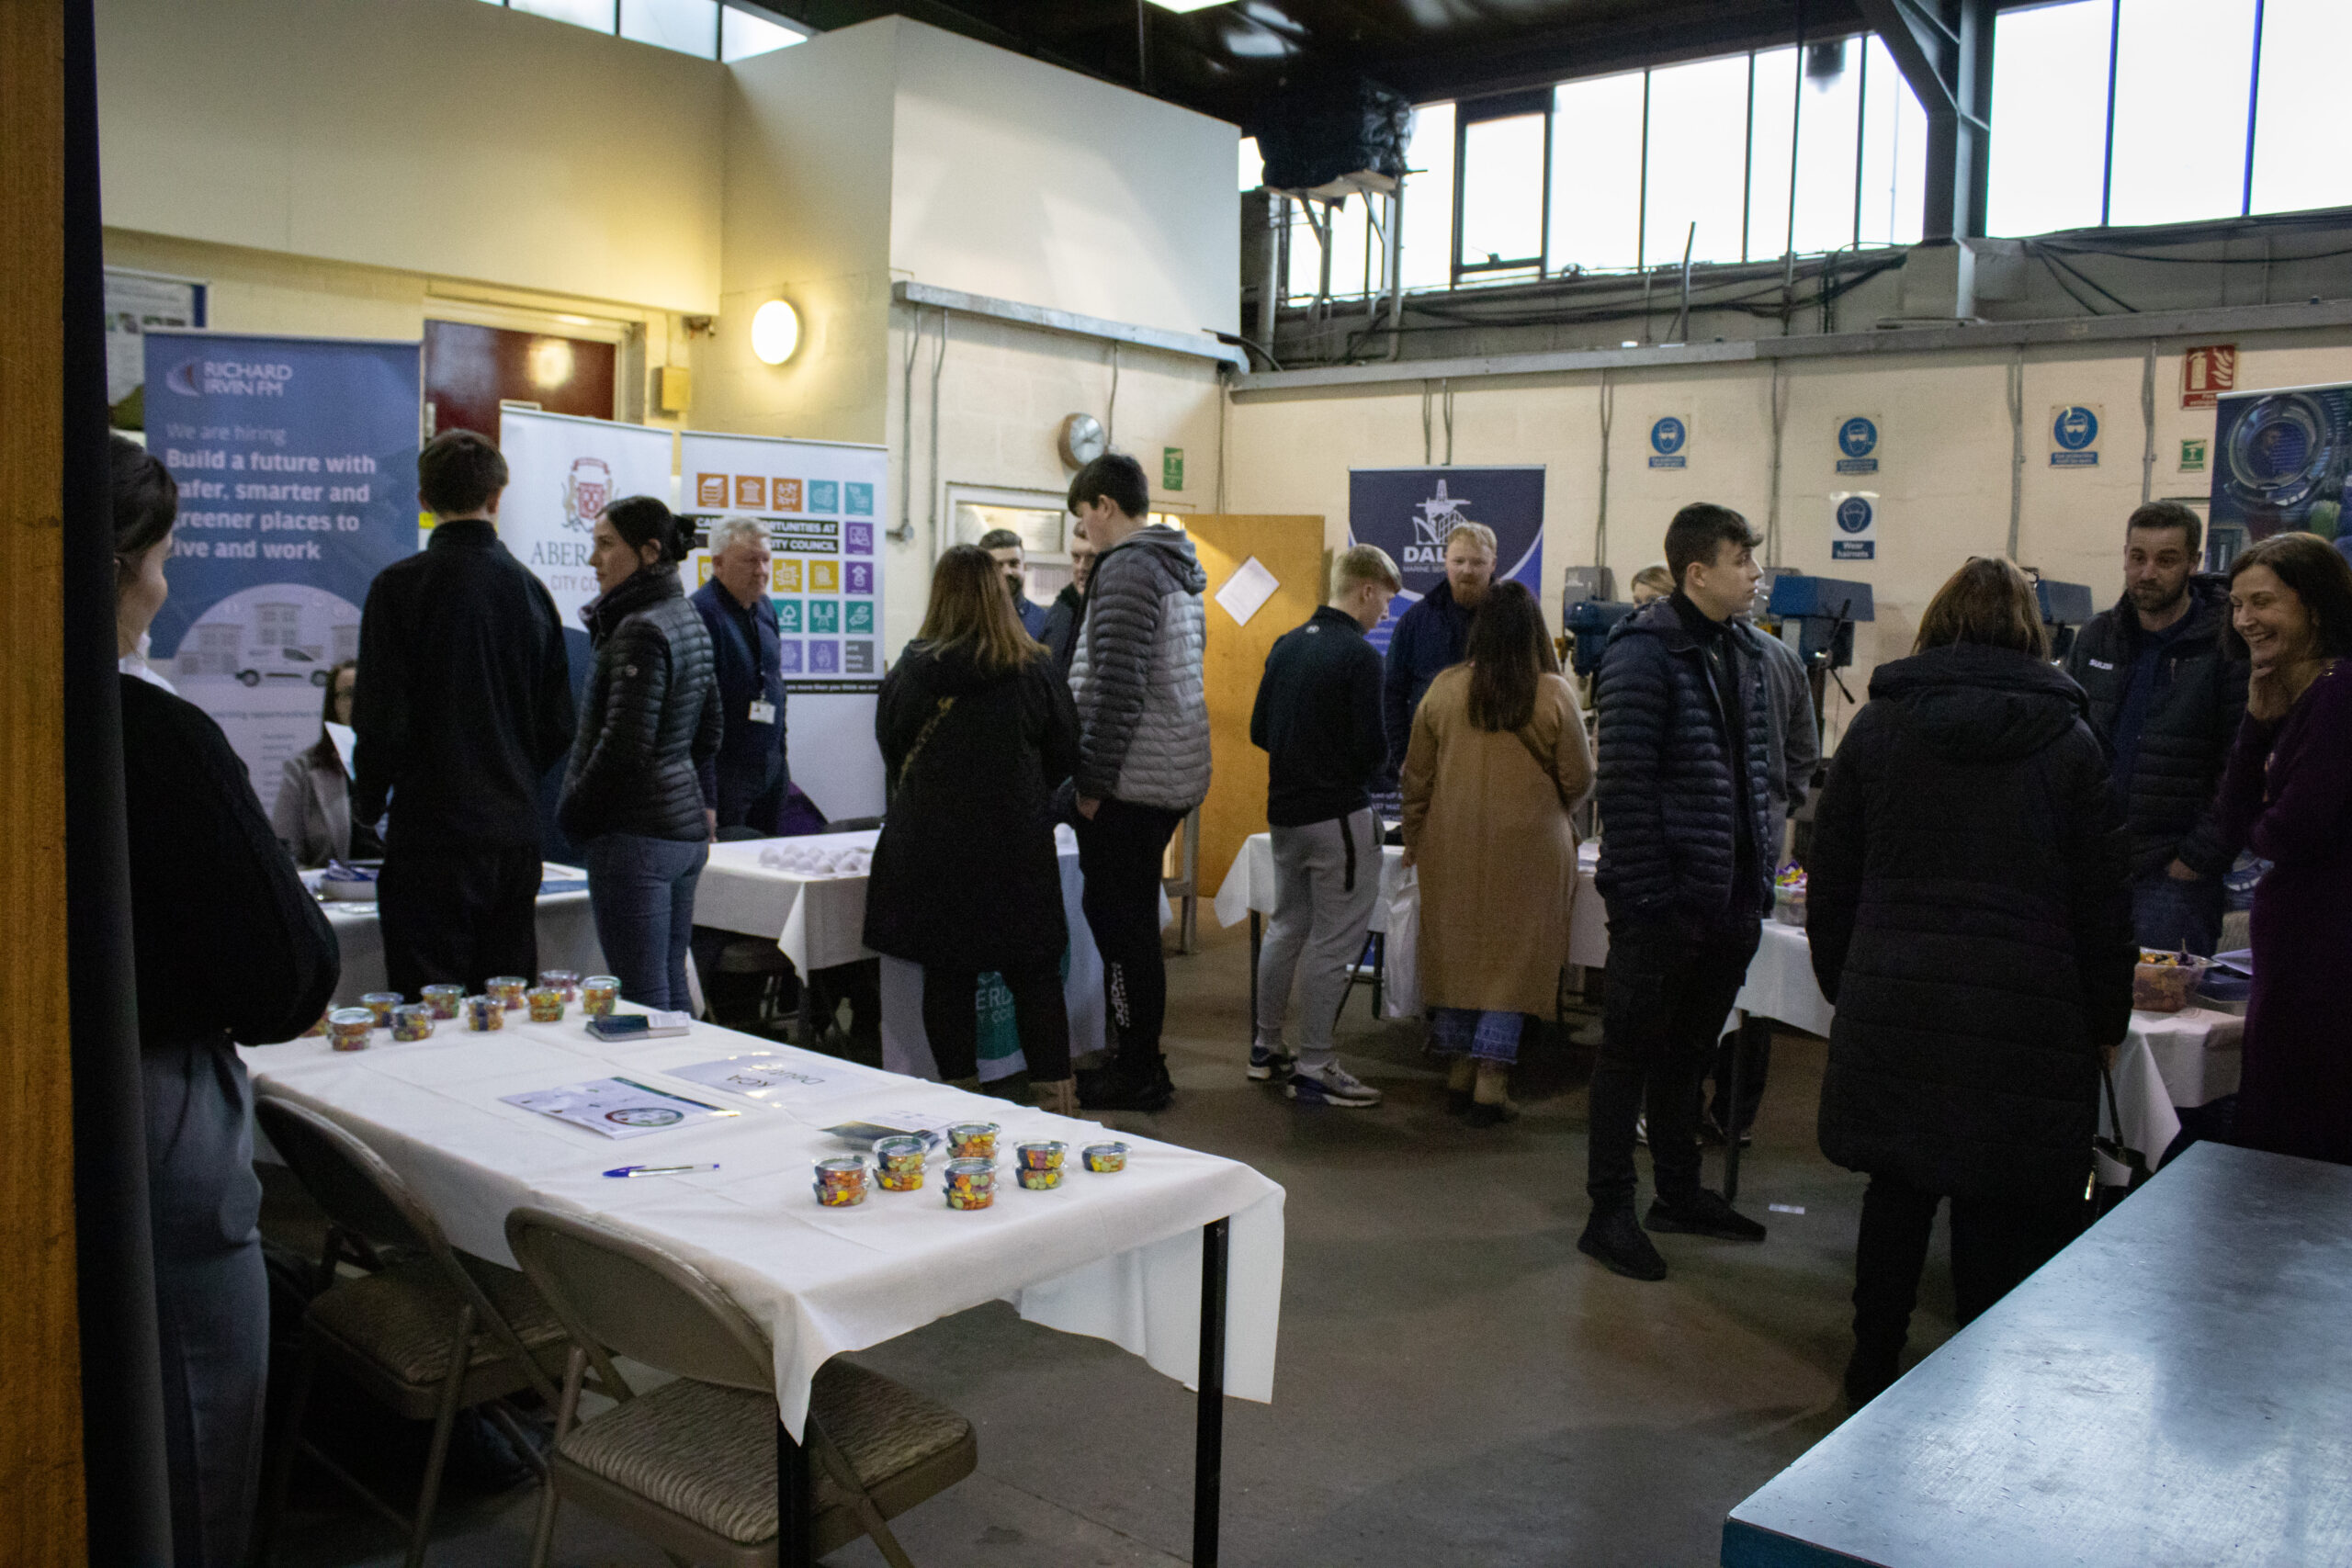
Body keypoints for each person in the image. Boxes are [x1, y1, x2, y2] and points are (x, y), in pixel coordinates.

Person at [1809, 556, 2132, 1403]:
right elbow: (2103, 896)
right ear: (2031, 632)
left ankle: (1871, 1362)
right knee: (1998, 1202)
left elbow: (1830, 868)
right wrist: (2108, 1014)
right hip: (2029, 1010)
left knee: (1898, 1187)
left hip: (1899, 991)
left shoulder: (1878, 731)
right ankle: (1972, 1384)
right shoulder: (2071, 741)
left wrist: (1845, 977)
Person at [112, 435, 340, 1566]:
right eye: (158, 560)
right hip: (151, 1112)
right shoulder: (157, 738)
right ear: (120, 569)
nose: (165, 586)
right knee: (194, 1433)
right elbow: (282, 973)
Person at [1581, 503, 1774, 1281]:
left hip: (1725, 902)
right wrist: (1655, 897)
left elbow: (1751, 776)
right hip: (1663, 903)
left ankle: (1680, 1192)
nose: (1755, 576)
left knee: (1690, 1054)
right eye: (1742, 562)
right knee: (1628, 1054)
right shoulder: (1643, 652)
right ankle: (1609, 1211)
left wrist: (1749, 887)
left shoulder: (1741, 652)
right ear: (1700, 573)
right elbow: (1622, 784)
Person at [353, 430, 576, 998]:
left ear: (423, 500)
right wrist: (516, 777)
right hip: (513, 832)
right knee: (504, 1003)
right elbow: (558, 724)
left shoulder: (397, 589)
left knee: (426, 1006)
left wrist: (369, 803)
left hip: (430, 830)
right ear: (498, 498)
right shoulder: (531, 592)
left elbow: (380, 717)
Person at [864, 546, 1082, 1114]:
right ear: (999, 594)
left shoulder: (910, 671)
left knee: (949, 976)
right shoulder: (1034, 669)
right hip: (1016, 848)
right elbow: (1065, 754)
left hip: (932, 848)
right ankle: (1056, 1108)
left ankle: (964, 1108)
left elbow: (891, 750)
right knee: (1035, 977)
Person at [1401, 581, 1594, 1126]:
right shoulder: (1555, 693)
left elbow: (1416, 775)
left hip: (1451, 841)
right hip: (1533, 847)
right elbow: (1579, 779)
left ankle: (1459, 1069)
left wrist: (1416, 835)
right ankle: (1493, 1078)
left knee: (1459, 948)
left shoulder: (1443, 688)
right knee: (1517, 958)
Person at [1064, 452, 1210, 1111]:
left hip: (1128, 781)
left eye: (1083, 517)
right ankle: (1139, 1056)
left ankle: (1137, 1065)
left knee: (1120, 925)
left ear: (1104, 505)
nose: (1084, 534)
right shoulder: (1174, 564)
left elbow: (1114, 684)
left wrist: (1089, 781)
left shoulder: (1126, 567)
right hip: (1166, 771)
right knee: (1130, 925)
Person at [2212, 533, 2352, 1167]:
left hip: (2326, 957)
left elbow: (2293, 829)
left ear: (2313, 607)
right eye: (2238, 604)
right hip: (2300, 951)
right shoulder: (2296, 698)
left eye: (2262, 602)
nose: (2245, 620)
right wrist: (2255, 720)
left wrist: (2262, 826)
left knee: (2300, 1131)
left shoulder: (2338, 696)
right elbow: (2239, 811)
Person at [1248, 543, 1403, 1108]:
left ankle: (1265, 1050)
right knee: (1334, 943)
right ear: (1366, 589)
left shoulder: (1286, 645)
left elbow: (1260, 730)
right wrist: (1355, 769)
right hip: (1337, 815)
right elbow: (1373, 752)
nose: (1384, 614)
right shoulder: (1361, 657)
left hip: (1283, 814)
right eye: (1384, 602)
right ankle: (1314, 1064)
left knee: (1287, 927)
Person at [558, 496, 722, 1012]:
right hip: (680, 833)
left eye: (606, 545)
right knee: (670, 991)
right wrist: (673, 774)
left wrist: (573, 811)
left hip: (635, 839)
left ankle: (666, 1093)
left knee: (644, 1002)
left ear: (650, 552)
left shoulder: (638, 628)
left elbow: (623, 749)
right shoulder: (686, 616)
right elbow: (711, 729)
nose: (594, 559)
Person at [2064, 502, 2247, 955]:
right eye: (2137, 557)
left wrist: (2197, 857)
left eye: (2166, 560)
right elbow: (2066, 740)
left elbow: (2241, 763)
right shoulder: (2096, 637)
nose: (2147, 572)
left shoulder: (2227, 646)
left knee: (2164, 1016)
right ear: (2124, 554)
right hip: (2091, 864)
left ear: (2194, 562)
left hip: (2173, 875)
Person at [1703, 619, 1820, 1145]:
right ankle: (1734, 1115)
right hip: (1756, 848)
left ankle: (1678, 1112)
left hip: (1702, 853)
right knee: (1749, 981)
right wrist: (1776, 804)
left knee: (1692, 985)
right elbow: (1804, 754)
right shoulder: (1783, 659)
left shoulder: (1684, 654)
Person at [692, 516, 790, 836]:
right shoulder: (701, 614)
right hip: (727, 771)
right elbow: (697, 710)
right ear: (718, 563)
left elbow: (775, 681)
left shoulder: (765, 608)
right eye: (750, 561)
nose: (761, 570)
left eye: (765, 560)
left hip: (770, 765)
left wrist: (781, 754)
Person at [1384, 521, 1496, 773]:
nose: (1467, 570)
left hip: (1496, 763)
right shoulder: (1416, 620)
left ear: (1493, 564)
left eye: (1477, 562)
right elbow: (1392, 693)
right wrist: (1403, 757)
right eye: (1459, 561)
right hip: (1432, 763)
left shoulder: (1513, 620)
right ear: (1445, 561)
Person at [271, 659, 379, 868]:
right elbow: (285, 855)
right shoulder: (302, 770)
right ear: (334, 704)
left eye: (369, 691)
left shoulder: (412, 765)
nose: (360, 701)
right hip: (332, 895)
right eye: (349, 694)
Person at [978, 525, 1051, 639]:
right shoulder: (970, 620)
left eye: (1014, 563)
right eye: (998, 565)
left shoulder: (1043, 621)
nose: (1007, 572)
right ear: (983, 571)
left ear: (1024, 567)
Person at [1039, 530, 1096, 675]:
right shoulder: (1059, 610)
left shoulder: (1114, 611)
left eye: (1092, 558)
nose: (1082, 567)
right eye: (1076, 557)